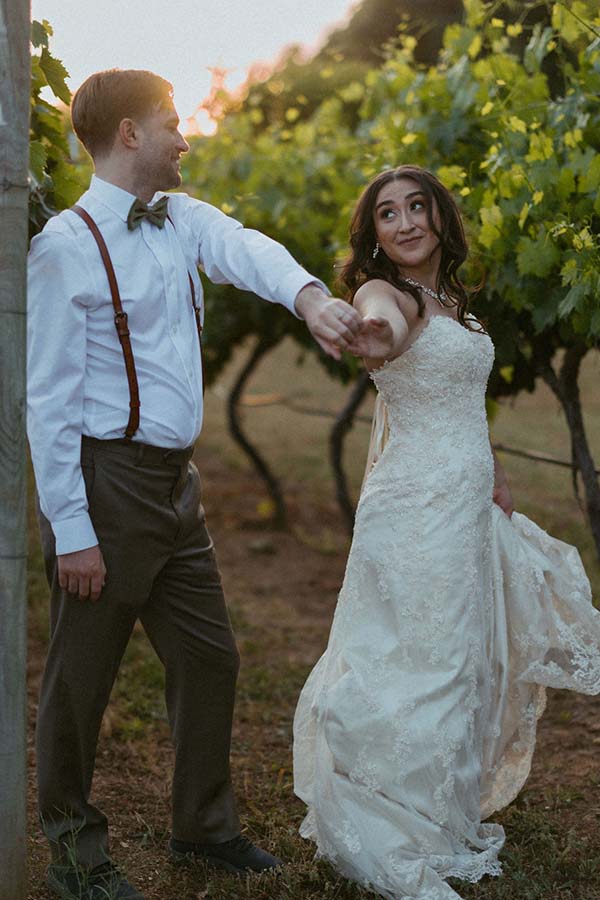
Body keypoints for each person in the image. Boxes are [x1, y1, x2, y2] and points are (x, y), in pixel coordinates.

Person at [27, 68, 363, 900]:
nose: (187, 137)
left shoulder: (181, 219)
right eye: (172, 123)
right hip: (107, 487)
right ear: (130, 135)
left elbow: (246, 249)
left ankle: (203, 829)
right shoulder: (66, 247)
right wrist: (71, 527)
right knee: (79, 681)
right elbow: (49, 401)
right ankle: (75, 853)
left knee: (210, 659)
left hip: (177, 487)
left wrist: (312, 299)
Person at [293, 165, 600, 900]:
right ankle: (392, 819)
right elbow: (384, 329)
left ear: (439, 217)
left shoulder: (451, 300)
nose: (404, 223)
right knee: (418, 660)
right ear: (373, 233)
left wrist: (493, 474)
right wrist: (372, 333)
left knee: (458, 658)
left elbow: (460, 399)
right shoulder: (389, 296)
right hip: (414, 506)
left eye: (416, 207)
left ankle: (437, 809)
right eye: (388, 214)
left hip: (464, 500)